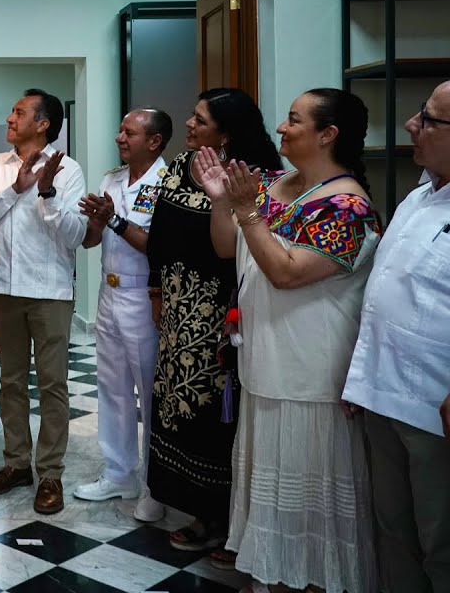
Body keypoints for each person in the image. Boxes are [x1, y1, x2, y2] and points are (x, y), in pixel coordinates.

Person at [200, 88, 378, 591]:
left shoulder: (347, 207)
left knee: (308, 503)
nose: (280, 127)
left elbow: (285, 273)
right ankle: (275, 575)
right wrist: (222, 203)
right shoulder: (274, 183)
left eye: (294, 120)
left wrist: (246, 211)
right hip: (265, 362)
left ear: (327, 135)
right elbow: (224, 245)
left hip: (309, 375)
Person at [145, 88, 280, 557]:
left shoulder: (255, 177)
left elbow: (250, 248)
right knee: (175, 402)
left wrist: (233, 310)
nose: (189, 125)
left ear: (227, 132)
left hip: (226, 315)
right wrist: (157, 290)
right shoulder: (184, 166)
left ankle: (227, 519)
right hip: (179, 307)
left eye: (201, 120)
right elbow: (160, 231)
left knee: (216, 412)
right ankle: (196, 508)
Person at [343, 80, 450, 593]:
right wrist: (358, 376)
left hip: (436, 408)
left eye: (427, 119)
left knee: (442, 545)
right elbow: (383, 295)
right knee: (393, 532)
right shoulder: (418, 197)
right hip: (383, 395)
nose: (412, 126)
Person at [0, 90, 87, 515]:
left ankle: (50, 474)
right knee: (9, 383)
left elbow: (75, 236)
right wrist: (16, 187)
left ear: (43, 124)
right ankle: (16, 464)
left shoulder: (69, 171)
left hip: (49, 294)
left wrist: (46, 194)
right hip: (1, 291)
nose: (10, 118)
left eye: (19, 112)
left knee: (52, 386)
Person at [72, 108, 171, 523]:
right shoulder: (112, 178)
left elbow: (158, 245)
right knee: (112, 387)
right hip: (108, 295)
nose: (119, 137)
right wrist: (97, 221)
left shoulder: (167, 184)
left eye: (129, 132)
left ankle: (156, 485)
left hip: (144, 297)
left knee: (150, 393)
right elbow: (93, 241)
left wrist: (113, 218)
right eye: (120, 131)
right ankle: (119, 473)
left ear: (154, 141)